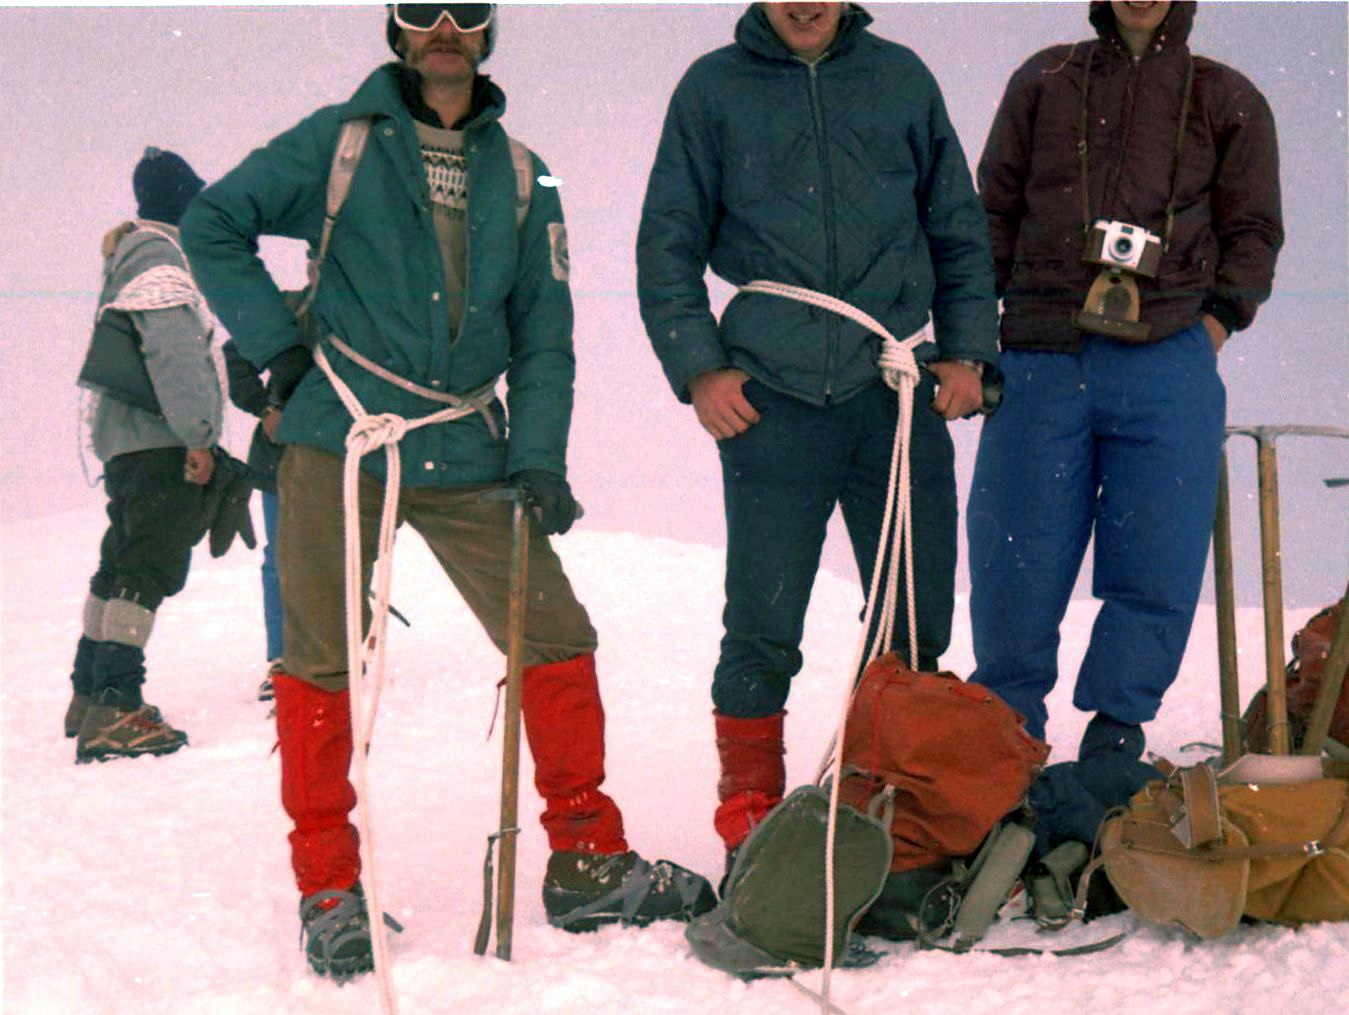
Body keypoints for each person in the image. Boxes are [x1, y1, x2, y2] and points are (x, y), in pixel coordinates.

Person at [182, 2, 714, 981]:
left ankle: (587, 861)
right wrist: (279, 353)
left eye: (463, 10)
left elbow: (543, 330)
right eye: (417, 9)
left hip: (468, 446)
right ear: (393, 28)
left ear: (486, 32)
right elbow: (212, 222)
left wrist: (540, 456)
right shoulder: (335, 145)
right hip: (335, 441)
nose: (441, 26)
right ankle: (329, 889)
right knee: (319, 659)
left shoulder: (521, 174)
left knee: (553, 633)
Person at [636, 2, 999, 871]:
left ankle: (886, 830)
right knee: (762, 623)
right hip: (774, 397)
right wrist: (700, 367)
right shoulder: (712, 88)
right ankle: (754, 832)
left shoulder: (901, 79)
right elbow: (667, 241)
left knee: (913, 621)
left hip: (894, 391)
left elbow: (958, 231)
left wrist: (966, 354)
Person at [969, 1, 1282, 754]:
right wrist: (979, 332)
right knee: (1018, 558)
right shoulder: (1043, 80)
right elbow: (990, 214)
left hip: (1166, 353)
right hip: (1042, 353)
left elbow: (1253, 228)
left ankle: (1112, 749)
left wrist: (1211, 324)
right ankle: (1004, 754)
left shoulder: (1226, 97)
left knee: (1157, 555)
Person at [65, 147, 220, 764]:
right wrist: (200, 435)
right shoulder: (160, 257)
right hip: (160, 441)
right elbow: (175, 355)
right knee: (145, 569)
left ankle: (87, 694)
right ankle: (116, 709)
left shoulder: (130, 256)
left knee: (119, 563)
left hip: (126, 443)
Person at [221, 338, 286, 701]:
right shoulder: (289, 311)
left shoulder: (357, 309)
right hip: (281, 457)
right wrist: (265, 408)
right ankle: (282, 657)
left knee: (346, 551)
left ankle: (340, 648)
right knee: (281, 559)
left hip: (344, 452)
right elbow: (238, 350)